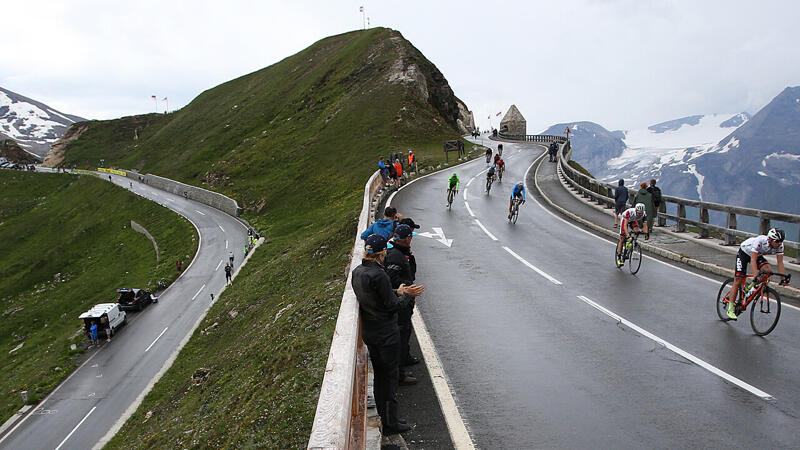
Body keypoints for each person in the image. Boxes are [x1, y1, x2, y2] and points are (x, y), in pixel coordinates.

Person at [352, 234, 424, 435]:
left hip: (371, 333)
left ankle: (386, 417)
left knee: (381, 378)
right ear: (382, 253)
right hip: (387, 335)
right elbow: (392, 307)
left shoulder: (358, 272)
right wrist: (407, 295)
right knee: (389, 379)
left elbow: (378, 296)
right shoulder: (379, 275)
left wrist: (397, 290)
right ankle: (391, 423)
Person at [385, 224, 422, 384]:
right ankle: (399, 374)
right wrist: (406, 290)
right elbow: (391, 279)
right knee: (402, 332)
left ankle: (405, 358)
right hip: (401, 301)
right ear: (407, 238)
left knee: (406, 331)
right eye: (411, 236)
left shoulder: (401, 252)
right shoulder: (395, 255)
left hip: (406, 298)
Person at [726, 228, 790, 320]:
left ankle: (749, 288)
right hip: (744, 252)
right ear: (770, 239)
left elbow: (780, 263)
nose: (779, 243)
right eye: (777, 241)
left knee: (767, 270)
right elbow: (753, 261)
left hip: (757, 255)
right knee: (738, 279)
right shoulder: (760, 241)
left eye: (781, 241)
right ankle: (730, 309)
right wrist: (756, 276)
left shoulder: (780, 246)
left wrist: (782, 279)